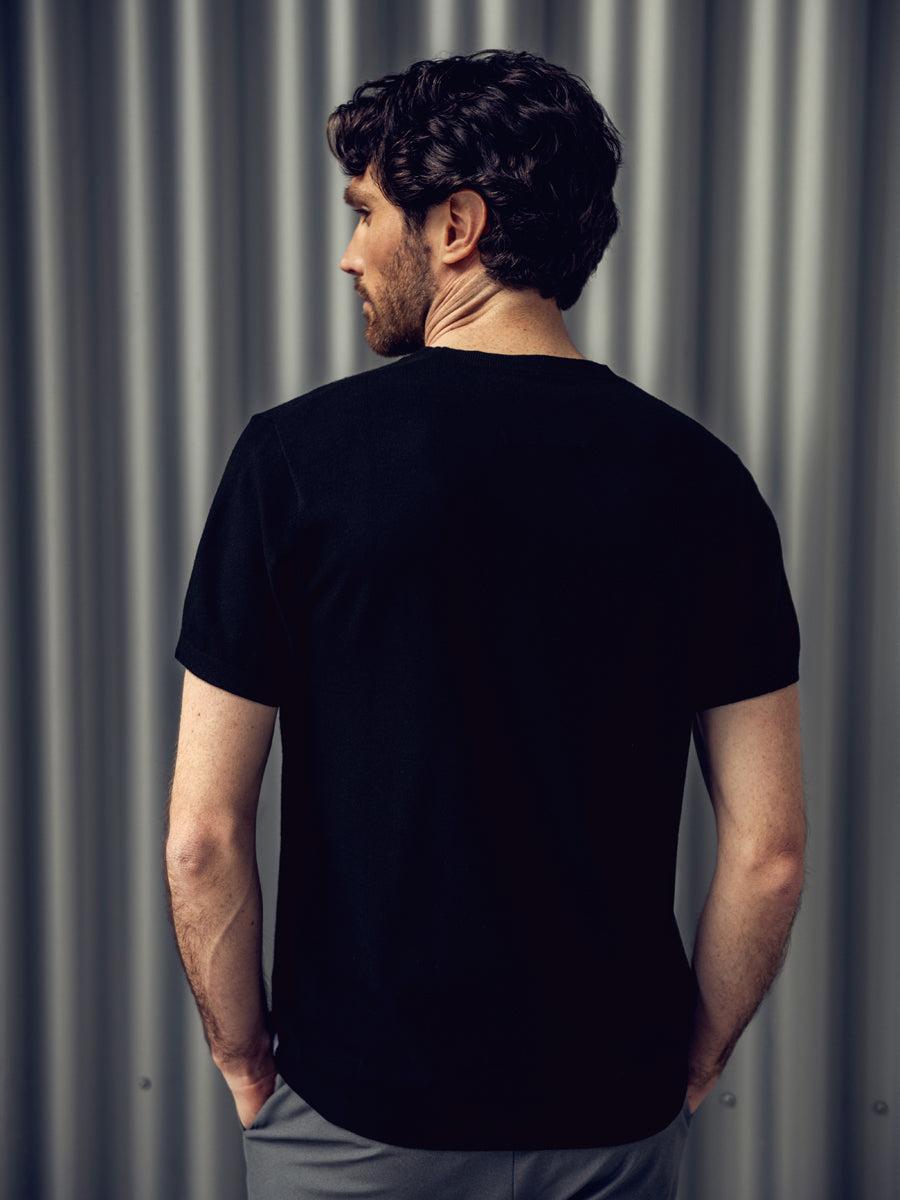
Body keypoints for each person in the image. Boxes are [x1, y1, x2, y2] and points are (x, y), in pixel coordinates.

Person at [165, 49, 805, 1200]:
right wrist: (691, 1064)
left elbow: (203, 837)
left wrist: (246, 1067)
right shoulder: (704, 483)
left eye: (367, 212)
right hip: (611, 1126)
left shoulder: (296, 462)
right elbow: (768, 855)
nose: (349, 252)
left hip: (357, 1126)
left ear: (456, 226)